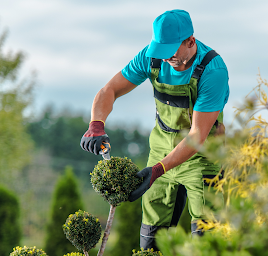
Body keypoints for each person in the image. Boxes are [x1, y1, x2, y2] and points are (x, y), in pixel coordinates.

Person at [80, 9, 229, 250]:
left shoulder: (213, 70)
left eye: (170, 49)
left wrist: (158, 170)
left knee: (207, 239)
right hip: (160, 149)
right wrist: (96, 124)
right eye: (161, 49)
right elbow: (110, 90)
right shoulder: (151, 57)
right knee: (151, 239)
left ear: (190, 41)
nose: (165, 57)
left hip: (202, 157)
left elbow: (197, 136)